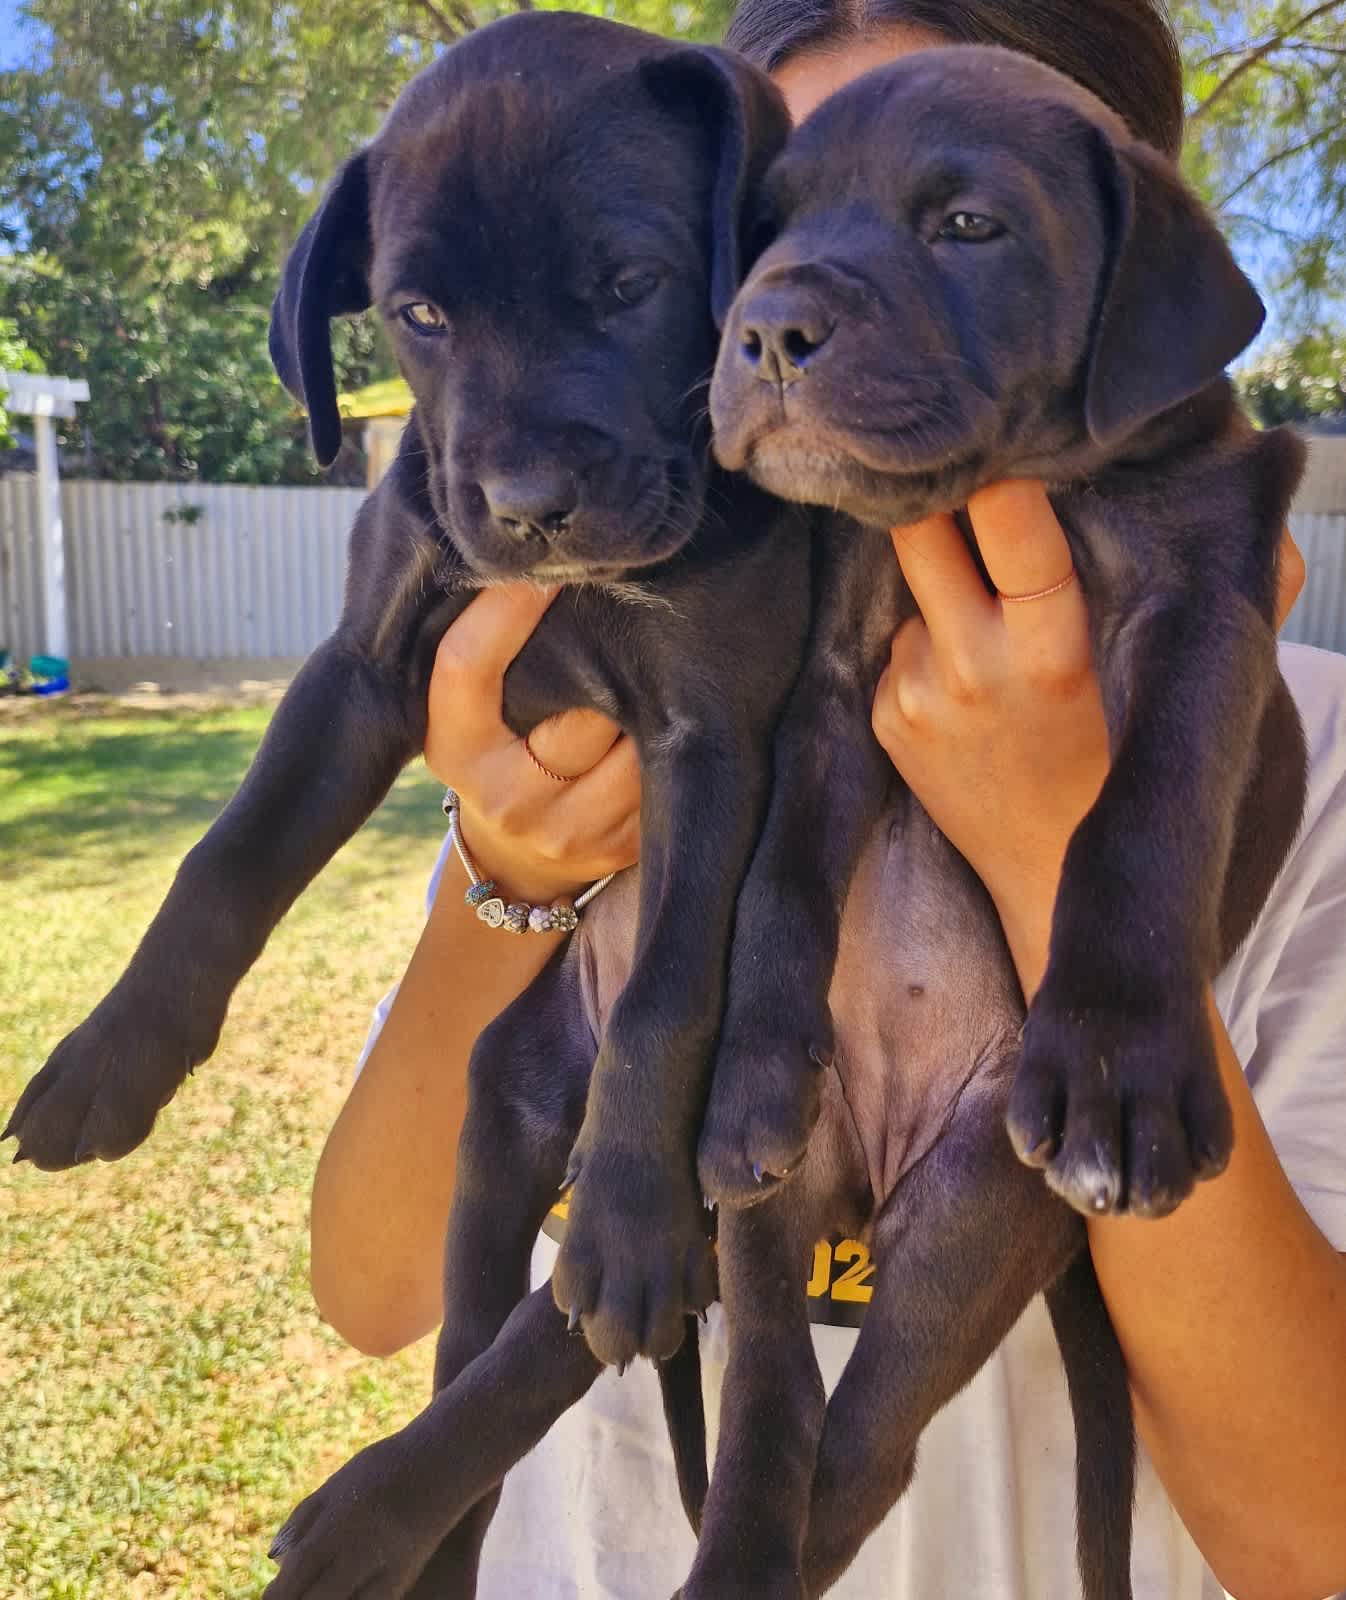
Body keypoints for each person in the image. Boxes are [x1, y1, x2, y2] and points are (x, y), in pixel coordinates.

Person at [308, 2, 1346, 1595]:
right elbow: (367, 1283)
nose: (790, 312)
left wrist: (1053, 850)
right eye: (764, 239)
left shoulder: (1320, 762)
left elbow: (1310, 1538)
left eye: (960, 225)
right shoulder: (655, 679)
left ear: (1118, 268)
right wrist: (505, 878)